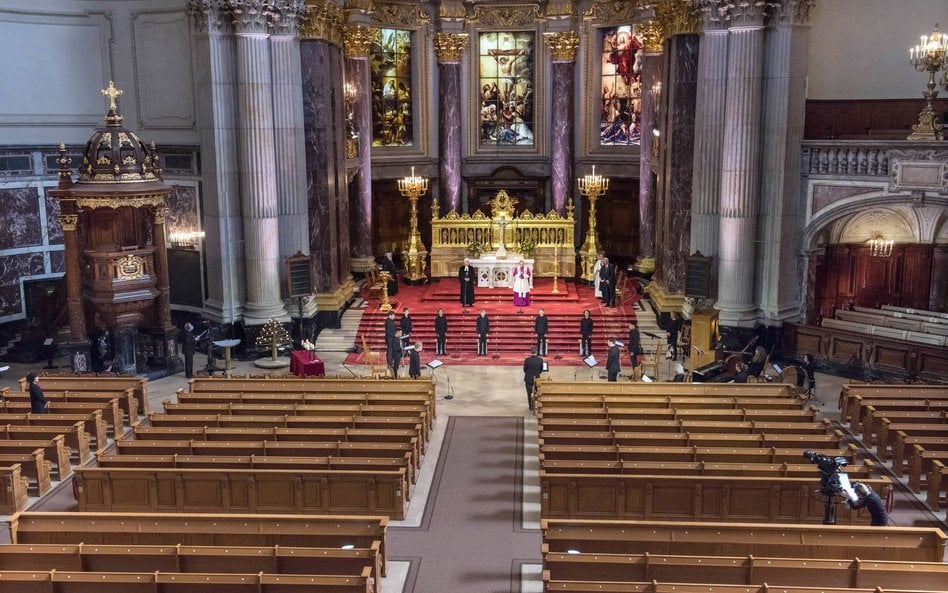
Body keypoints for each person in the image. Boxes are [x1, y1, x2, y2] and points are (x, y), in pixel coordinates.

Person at [523, 346, 545, 411]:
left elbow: (525, 369)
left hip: (528, 378)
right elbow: (541, 370)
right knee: (537, 392)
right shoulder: (540, 360)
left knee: (529, 393)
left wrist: (529, 373)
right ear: (537, 352)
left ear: (531, 352)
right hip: (537, 378)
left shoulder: (527, 360)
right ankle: (538, 405)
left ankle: (530, 406)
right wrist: (537, 374)